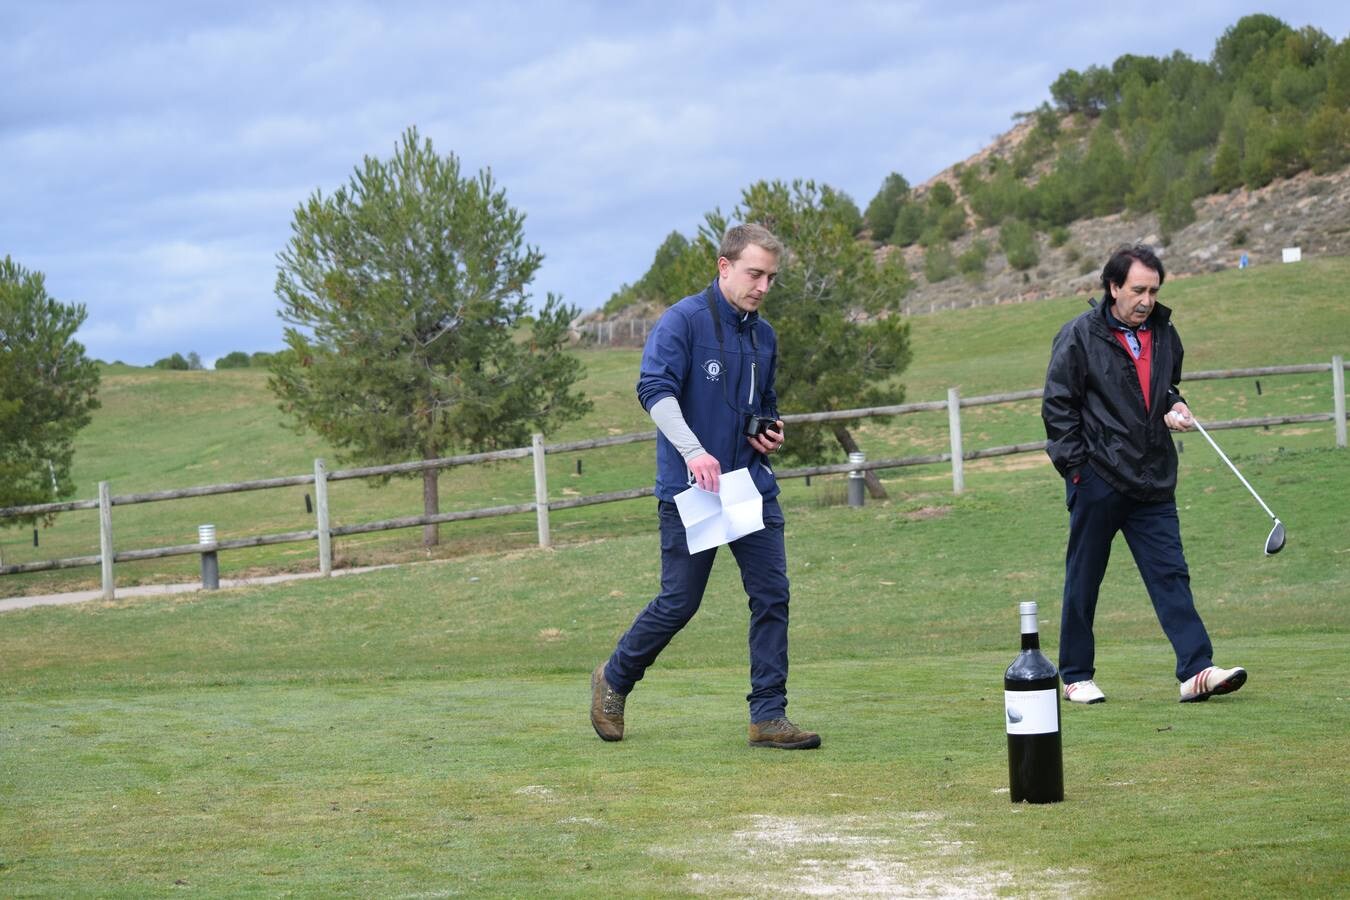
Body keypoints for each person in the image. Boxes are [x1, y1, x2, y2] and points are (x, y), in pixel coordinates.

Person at [590, 223, 820, 749]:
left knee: (771, 596)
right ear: (724, 266)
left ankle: (768, 715)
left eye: (771, 278)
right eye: (754, 273)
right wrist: (693, 452)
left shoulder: (764, 336)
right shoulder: (684, 321)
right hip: (691, 490)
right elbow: (654, 390)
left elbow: (763, 406)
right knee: (679, 602)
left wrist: (768, 431)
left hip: (749, 487)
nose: (763, 286)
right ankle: (615, 677)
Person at [1041, 244, 1248, 705]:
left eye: (1154, 290)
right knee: (1084, 578)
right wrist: (1077, 470)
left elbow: (1166, 388)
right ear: (1113, 287)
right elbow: (1058, 406)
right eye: (1138, 289)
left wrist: (1176, 406)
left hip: (1153, 478)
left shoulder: (1165, 334)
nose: (1147, 299)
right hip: (1098, 477)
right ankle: (1075, 674)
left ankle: (1196, 671)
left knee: (1171, 574)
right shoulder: (1078, 336)